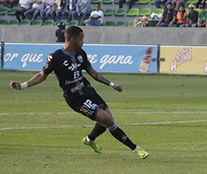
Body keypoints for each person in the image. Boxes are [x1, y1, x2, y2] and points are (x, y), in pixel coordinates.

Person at [9, 26, 149, 160]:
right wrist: (22, 86)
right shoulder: (56, 57)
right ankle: (136, 149)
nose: (83, 41)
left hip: (88, 91)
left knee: (106, 121)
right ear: (72, 39)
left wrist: (112, 84)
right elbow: (42, 75)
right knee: (109, 122)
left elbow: (92, 73)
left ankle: (89, 139)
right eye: (81, 38)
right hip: (75, 98)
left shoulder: (81, 54)